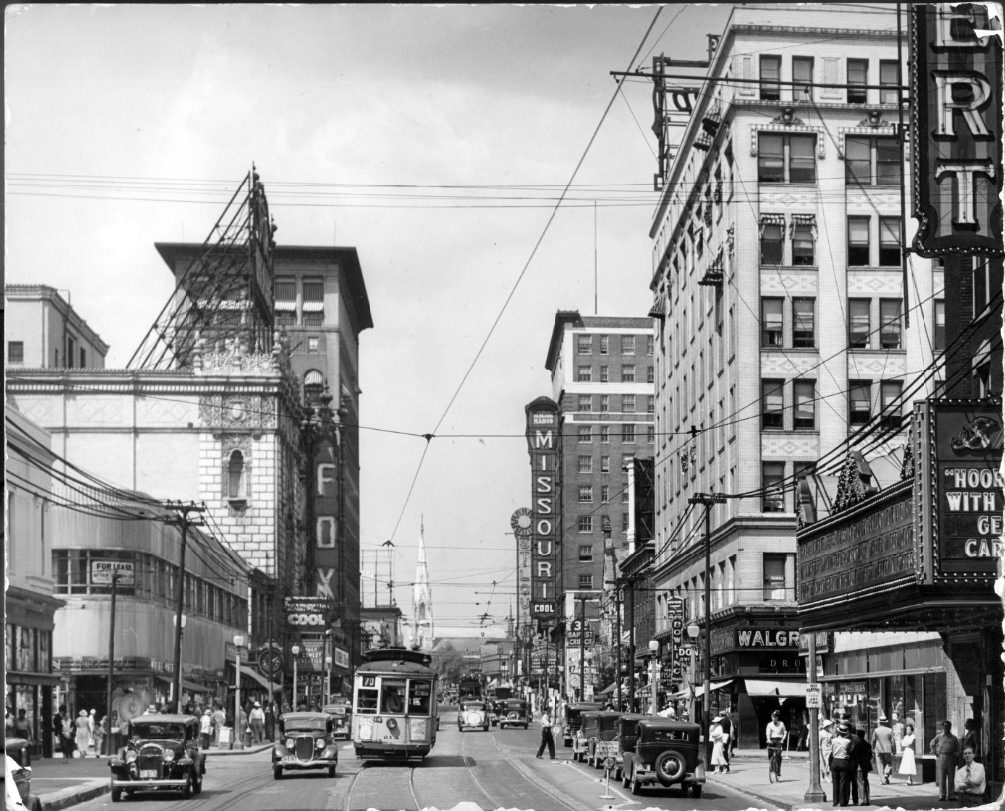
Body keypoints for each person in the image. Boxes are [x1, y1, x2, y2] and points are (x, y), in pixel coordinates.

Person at [930, 720, 960, 802]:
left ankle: (951, 794)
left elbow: (957, 748)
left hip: (951, 757)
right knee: (942, 777)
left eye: (948, 726)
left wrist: (956, 755)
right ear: (943, 727)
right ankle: (942, 795)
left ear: (950, 727)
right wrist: (934, 752)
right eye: (945, 726)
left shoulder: (954, 738)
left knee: (951, 777)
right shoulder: (939, 737)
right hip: (942, 756)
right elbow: (932, 743)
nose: (946, 728)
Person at [830, 721, 855, 807]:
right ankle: (842, 801)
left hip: (835, 761)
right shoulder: (848, 741)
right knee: (843, 782)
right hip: (844, 762)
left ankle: (835, 801)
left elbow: (831, 751)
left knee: (835, 782)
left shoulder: (833, 740)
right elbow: (850, 751)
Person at [871, 715, 893, 784]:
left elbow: (873, 740)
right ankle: (886, 773)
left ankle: (882, 780)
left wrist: (872, 748)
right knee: (889, 763)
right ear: (886, 722)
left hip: (878, 749)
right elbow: (893, 741)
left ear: (880, 722)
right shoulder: (890, 730)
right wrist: (894, 750)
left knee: (879, 765)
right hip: (888, 749)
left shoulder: (876, 730)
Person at [854, 728, 873, 805]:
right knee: (865, 781)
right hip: (866, 765)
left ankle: (863, 799)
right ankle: (867, 798)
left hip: (859, 766)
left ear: (857, 735)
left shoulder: (857, 744)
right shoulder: (868, 744)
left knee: (860, 782)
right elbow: (870, 756)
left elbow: (856, 755)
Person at [765, 710, 787, 778]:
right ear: (771, 717)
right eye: (773, 717)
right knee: (770, 754)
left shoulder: (781, 724)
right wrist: (768, 739)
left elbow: (785, 732)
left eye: (776, 717)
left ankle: (778, 770)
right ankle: (771, 766)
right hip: (772, 740)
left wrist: (783, 739)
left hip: (779, 740)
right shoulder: (769, 724)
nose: (774, 718)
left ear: (778, 718)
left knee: (778, 754)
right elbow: (768, 733)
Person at [819, 718, 834, 782]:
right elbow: (819, 742)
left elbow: (832, 741)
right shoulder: (821, 733)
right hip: (823, 750)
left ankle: (827, 776)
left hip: (829, 750)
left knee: (828, 763)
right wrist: (820, 750)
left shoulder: (830, 733)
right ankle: (822, 776)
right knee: (823, 763)